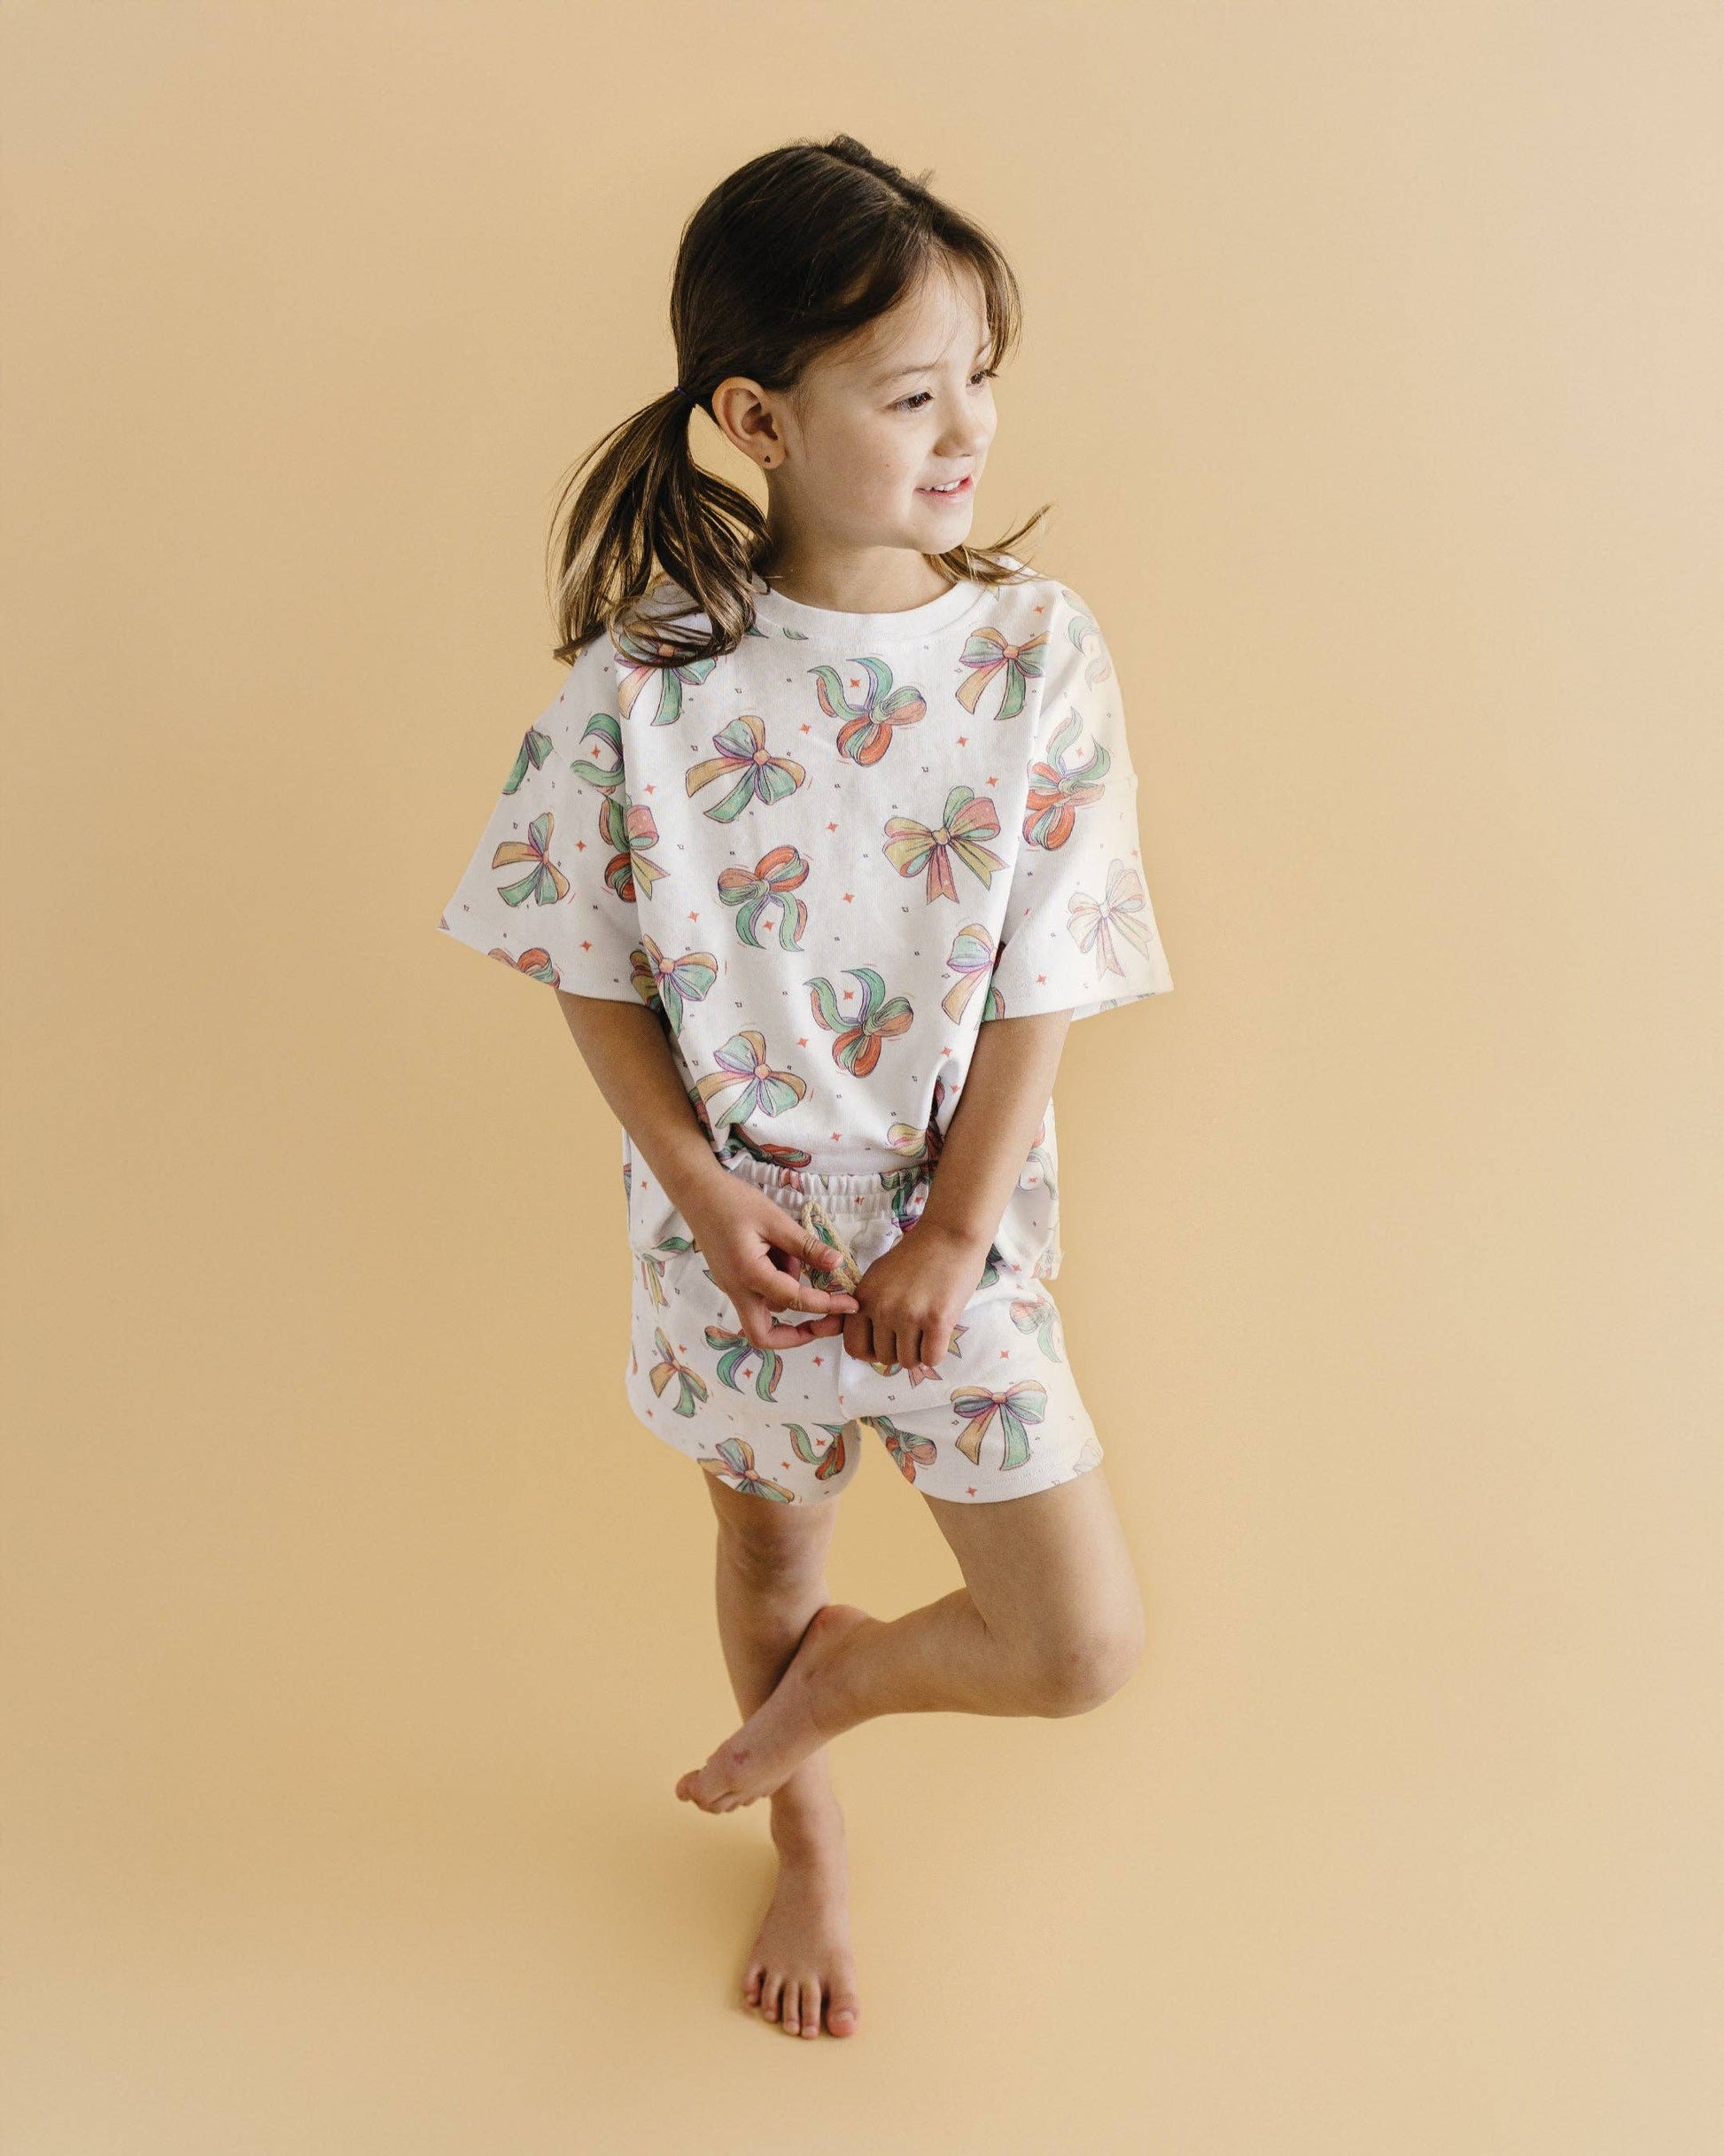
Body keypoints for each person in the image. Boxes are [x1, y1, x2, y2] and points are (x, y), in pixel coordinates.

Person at [436, 133, 1175, 2043]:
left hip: (955, 1236)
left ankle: (827, 1690)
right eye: (912, 393)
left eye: (980, 377)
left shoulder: (1032, 655)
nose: (967, 428)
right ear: (756, 418)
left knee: (1076, 1640)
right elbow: (584, 954)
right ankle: (810, 1835)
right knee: (768, 1544)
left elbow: (1048, 966)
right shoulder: (645, 680)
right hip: (734, 1240)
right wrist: (697, 1191)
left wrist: (952, 1229)